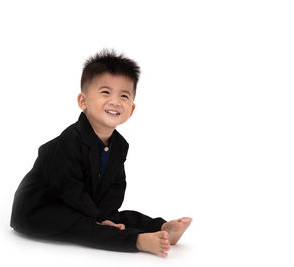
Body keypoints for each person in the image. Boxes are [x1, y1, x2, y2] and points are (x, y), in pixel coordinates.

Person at [10, 49, 192, 257]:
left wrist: (105, 216)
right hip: (43, 209)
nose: (115, 101)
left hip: (83, 205)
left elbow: (115, 186)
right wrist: (97, 219)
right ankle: (137, 241)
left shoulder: (120, 145)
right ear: (83, 101)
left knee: (120, 217)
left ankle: (160, 227)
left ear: (131, 109)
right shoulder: (67, 142)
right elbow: (69, 189)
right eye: (105, 92)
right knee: (83, 227)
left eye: (124, 96)